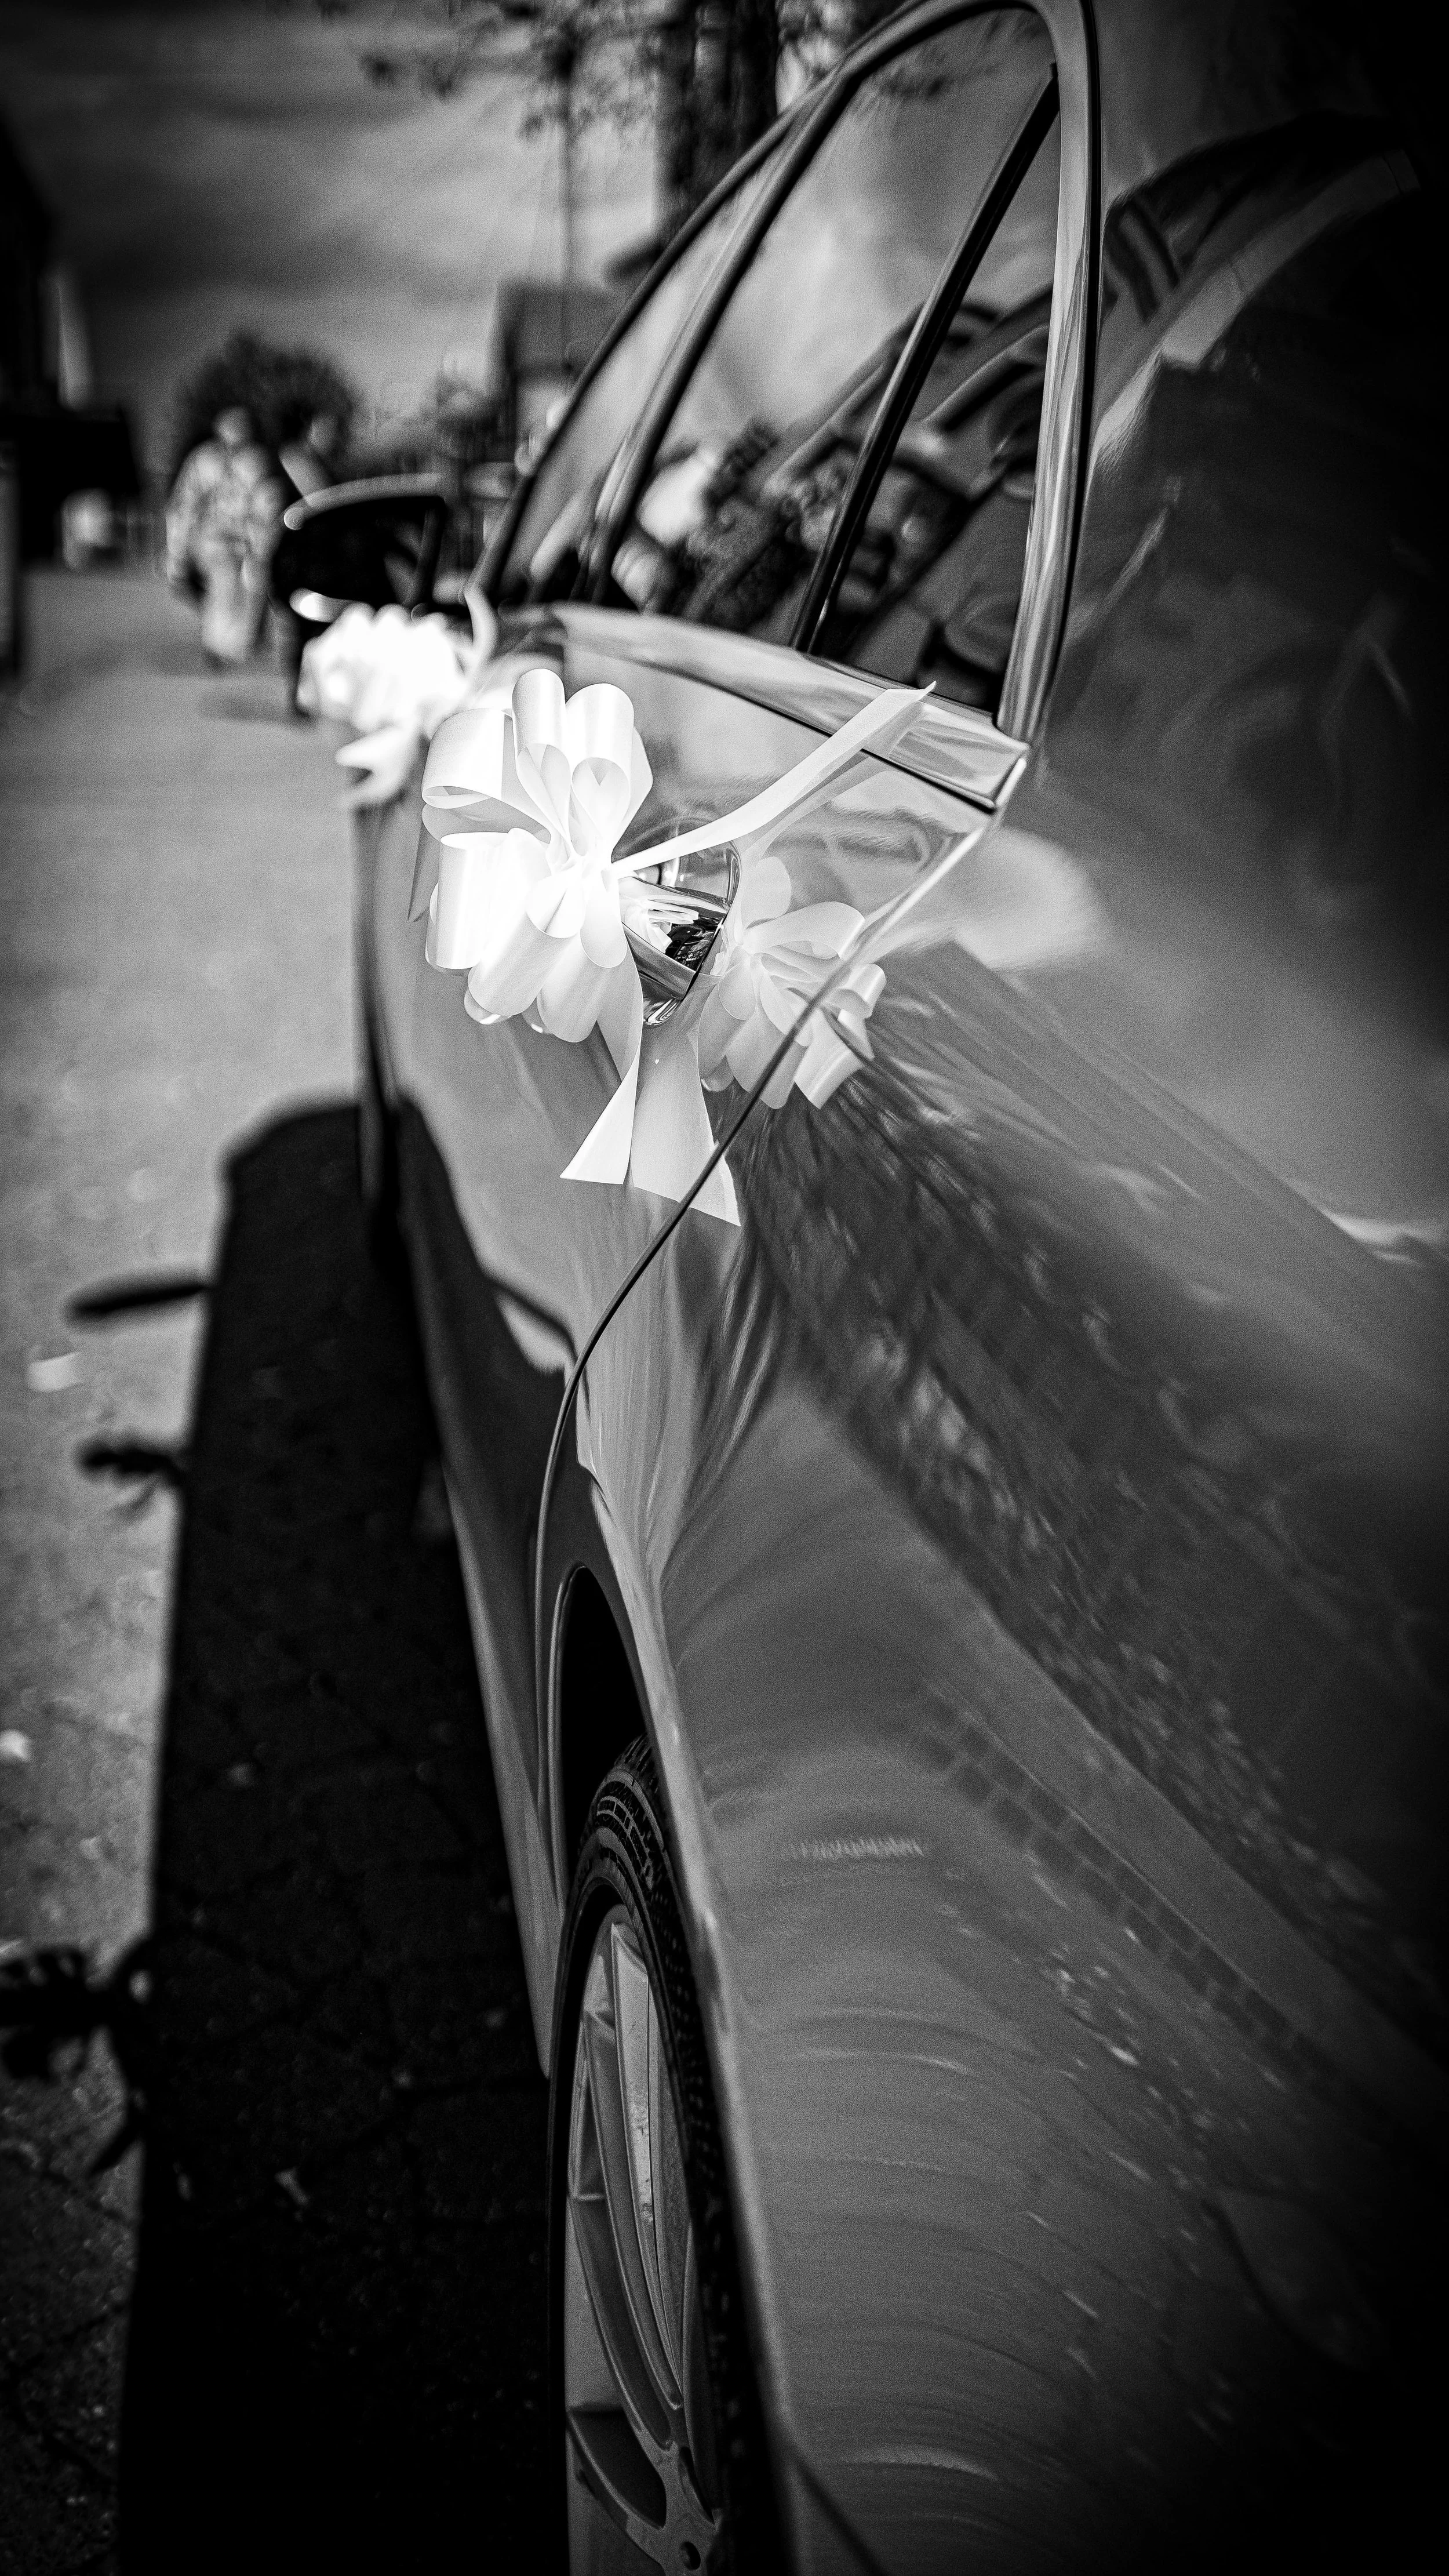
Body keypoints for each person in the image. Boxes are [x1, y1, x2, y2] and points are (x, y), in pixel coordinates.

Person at [164, 405, 281, 666]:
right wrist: (176, 550)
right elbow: (184, 504)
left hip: (249, 541)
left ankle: (239, 643)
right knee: (223, 585)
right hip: (212, 540)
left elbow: (267, 501)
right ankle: (220, 647)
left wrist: (262, 538)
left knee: (253, 589)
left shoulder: (257, 461)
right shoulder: (202, 460)